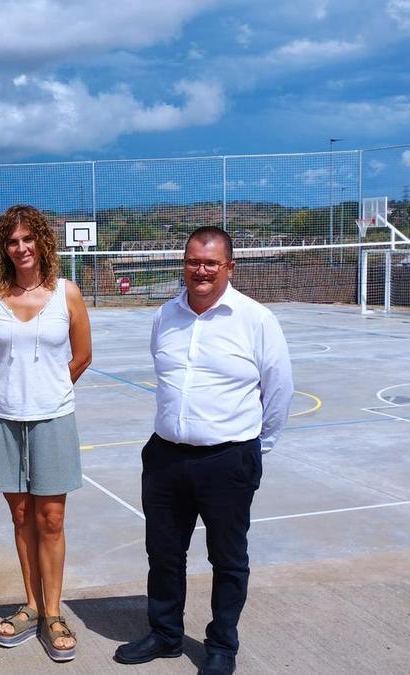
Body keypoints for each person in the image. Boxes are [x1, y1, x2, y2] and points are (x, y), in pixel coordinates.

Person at [114, 226, 293, 675]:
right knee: (164, 553)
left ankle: (221, 646)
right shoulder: (165, 317)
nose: (201, 270)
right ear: (184, 264)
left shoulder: (256, 320)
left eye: (211, 262)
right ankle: (165, 634)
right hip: (165, 457)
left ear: (229, 267)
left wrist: (254, 447)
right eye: (194, 261)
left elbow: (280, 391)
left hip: (227, 459)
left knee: (228, 559)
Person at [0, 204, 92, 662]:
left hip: (54, 417)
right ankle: (31, 603)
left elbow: (82, 355)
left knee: (52, 519)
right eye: (12, 241)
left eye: (28, 239)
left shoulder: (67, 293)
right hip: (4, 417)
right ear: (4, 247)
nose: (21, 248)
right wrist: (14, 388)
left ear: (42, 242)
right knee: (21, 517)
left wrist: (50, 389)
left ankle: (54, 612)